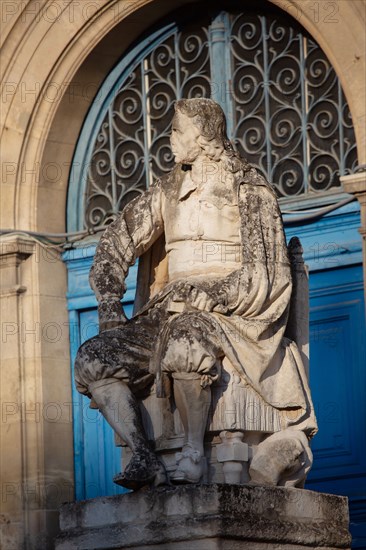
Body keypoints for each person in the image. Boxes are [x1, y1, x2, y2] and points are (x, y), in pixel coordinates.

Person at [74, 98, 317, 490]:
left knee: (185, 340)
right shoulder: (168, 190)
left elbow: (266, 271)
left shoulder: (249, 187)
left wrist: (216, 292)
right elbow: (116, 243)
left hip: (231, 313)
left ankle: (192, 452)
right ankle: (143, 455)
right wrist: (107, 301)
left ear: (202, 136)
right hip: (165, 311)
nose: (169, 138)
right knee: (93, 358)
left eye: (176, 130)